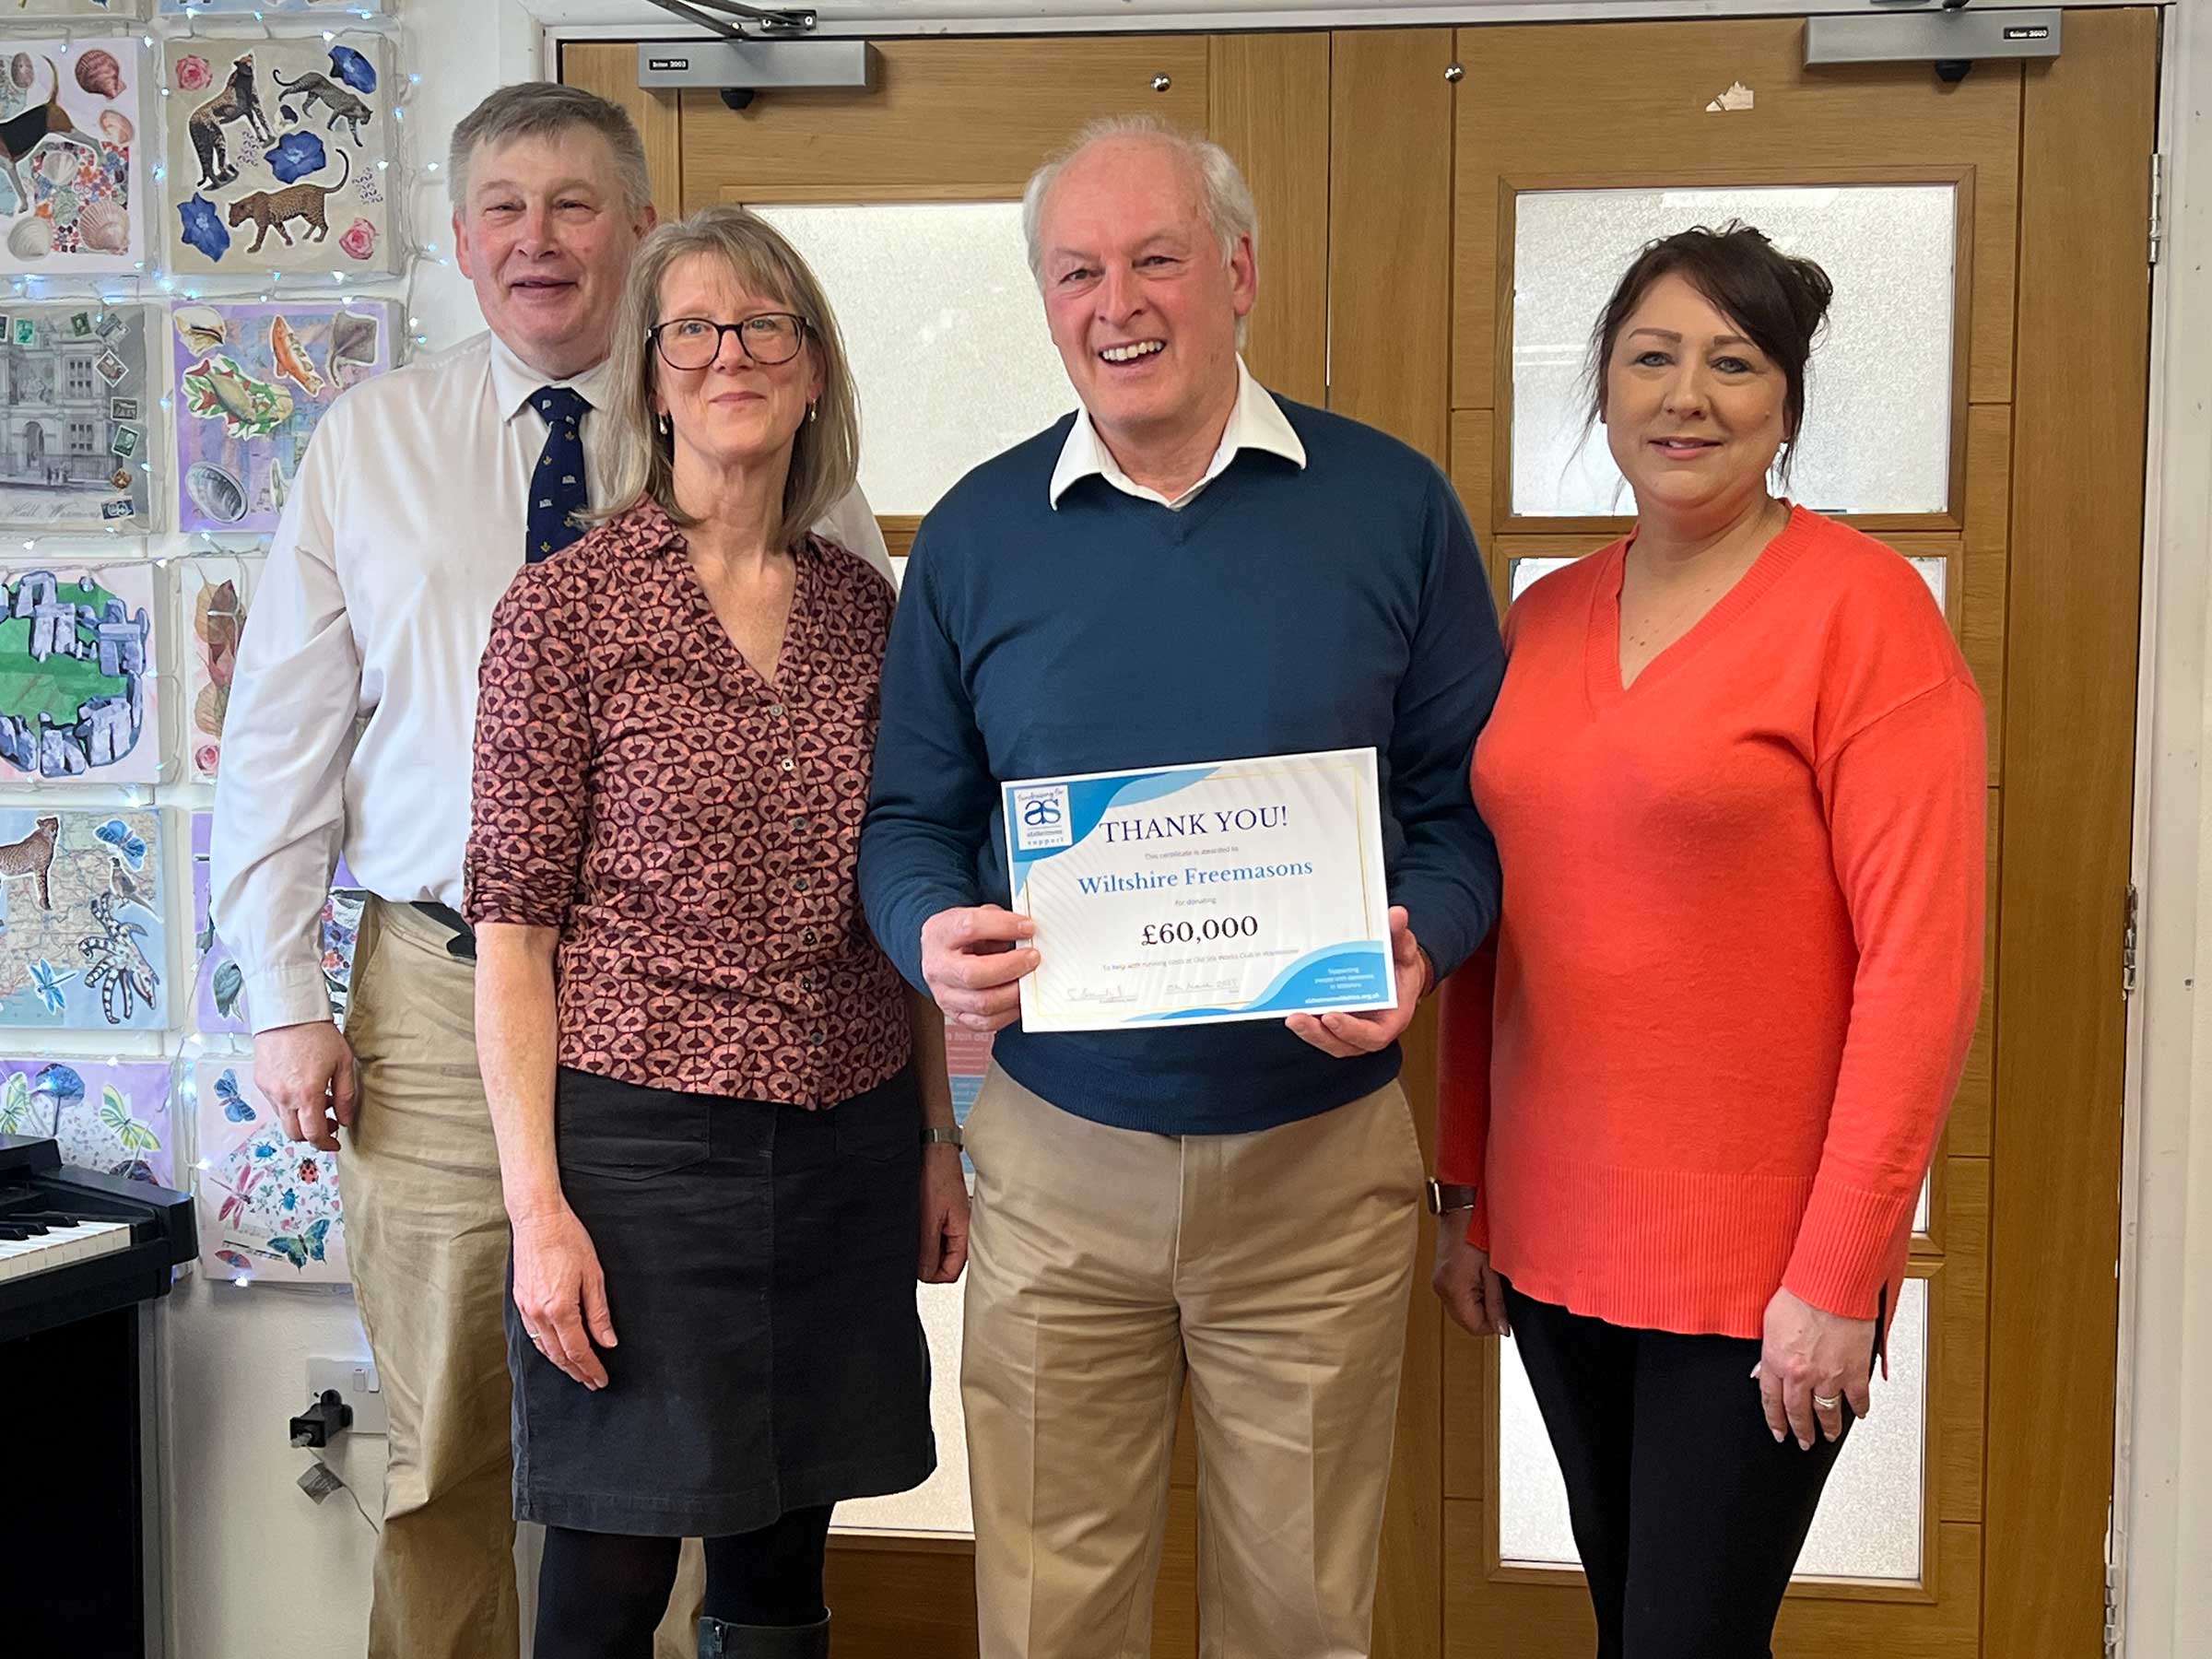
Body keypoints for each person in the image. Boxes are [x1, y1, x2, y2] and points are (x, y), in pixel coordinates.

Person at [210, 85, 896, 1659]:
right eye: (504, 208)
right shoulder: (371, 443)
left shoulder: (783, 463)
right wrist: (279, 996)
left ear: (640, 234)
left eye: (576, 204)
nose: (539, 238)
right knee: (452, 1442)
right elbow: (282, 742)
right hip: (454, 992)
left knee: (693, 1452)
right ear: (457, 242)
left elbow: (861, 748)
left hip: (726, 1042)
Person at [858, 116, 1503, 1658]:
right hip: (1057, 1162)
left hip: (1318, 1175)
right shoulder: (976, 533)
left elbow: (1466, 819)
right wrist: (927, 938)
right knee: (1049, 1613)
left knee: (1299, 1616)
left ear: (1238, 273)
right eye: (1078, 271)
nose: (1117, 303)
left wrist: (1423, 943)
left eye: (1155, 259)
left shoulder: (1390, 507)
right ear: (1047, 301)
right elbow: (908, 822)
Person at [1431, 223, 1985, 1657]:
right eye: (1652, 357)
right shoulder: (1545, 619)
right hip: (1555, 1239)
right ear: (1603, 391)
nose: (1689, 396)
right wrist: (1468, 1193)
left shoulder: (1864, 614)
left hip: (1763, 1273)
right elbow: (1500, 928)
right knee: (1632, 1621)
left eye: (1734, 363)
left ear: (1787, 404)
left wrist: (1840, 1272)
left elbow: (1921, 967)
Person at [465, 204, 954, 1659]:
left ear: (813, 373)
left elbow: (905, 880)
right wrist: (536, 1212)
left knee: (784, 1555)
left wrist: (940, 1139)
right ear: (654, 378)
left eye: (765, 326)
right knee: (612, 1562)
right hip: (637, 1153)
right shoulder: (564, 612)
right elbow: (513, 936)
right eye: (695, 328)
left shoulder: (872, 614)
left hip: (847, 1135)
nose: (730, 352)